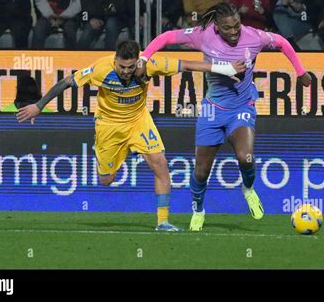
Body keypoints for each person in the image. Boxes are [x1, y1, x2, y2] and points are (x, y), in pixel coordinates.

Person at [16, 40, 246, 231]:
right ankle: (111, 153)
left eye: (130, 66)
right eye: (121, 66)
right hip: (109, 126)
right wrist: (39, 105)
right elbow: (67, 82)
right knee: (106, 180)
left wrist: (226, 69)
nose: (126, 71)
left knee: (161, 165)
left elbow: (187, 65)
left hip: (138, 121)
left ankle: (163, 221)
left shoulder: (150, 66)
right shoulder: (101, 69)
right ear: (115, 60)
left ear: (138, 61)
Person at [138, 2, 312, 231]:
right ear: (217, 27)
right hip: (212, 111)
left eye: (237, 26)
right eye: (228, 28)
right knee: (201, 172)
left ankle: (248, 189)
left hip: (242, 107)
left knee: (246, 157)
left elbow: (281, 42)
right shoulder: (203, 36)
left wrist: (300, 72)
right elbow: (168, 38)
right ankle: (198, 209)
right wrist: (143, 58)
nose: (233, 32)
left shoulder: (254, 37)